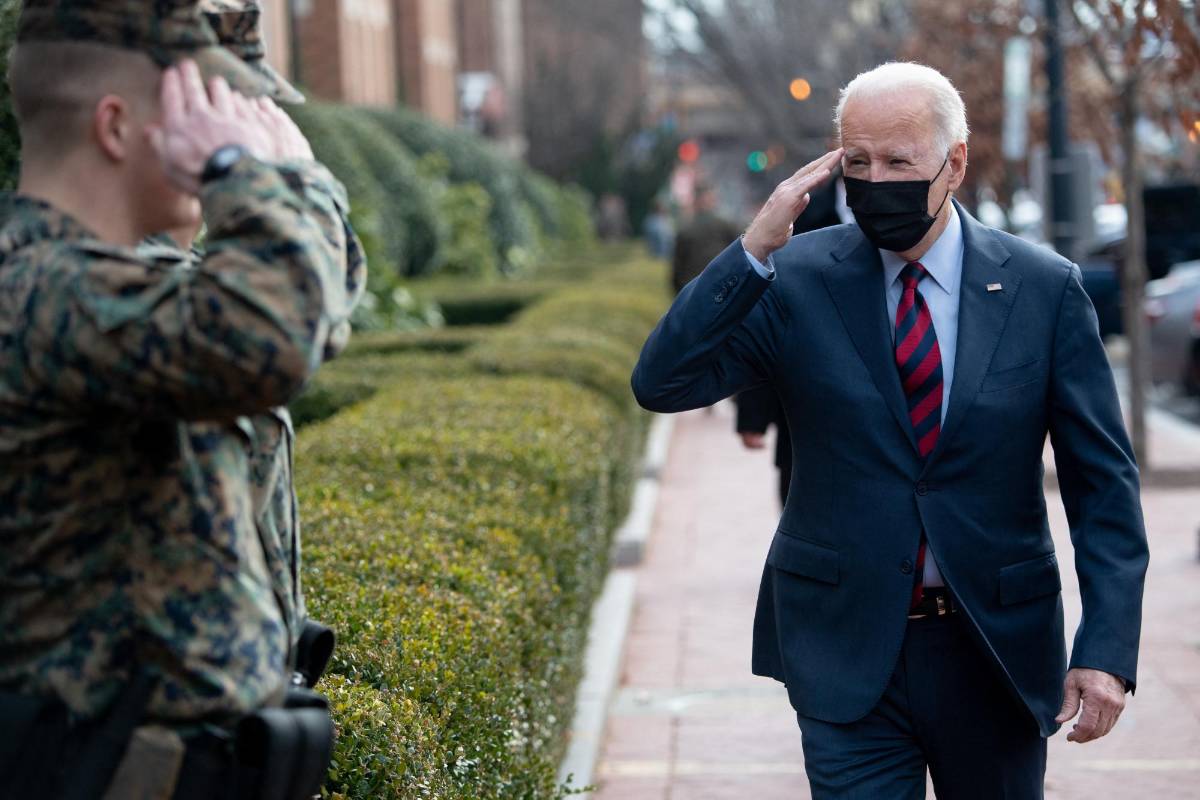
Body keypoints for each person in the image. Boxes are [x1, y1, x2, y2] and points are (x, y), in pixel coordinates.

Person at [632, 62, 1148, 798]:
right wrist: (750, 252)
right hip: (844, 648)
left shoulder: (1043, 289)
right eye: (858, 162)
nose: (876, 183)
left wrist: (1106, 648)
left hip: (994, 651)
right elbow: (662, 382)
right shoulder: (797, 279)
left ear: (955, 162)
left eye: (899, 162)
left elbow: (1103, 488)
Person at [0, 1, 361, 797]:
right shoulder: (40, 294)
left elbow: (310, 308)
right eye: (202, 114)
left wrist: (283, 185)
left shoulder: (108, 288)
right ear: (118, 127)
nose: (230, 133)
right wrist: (248, 175)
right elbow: (276, 329)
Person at [735, 168, 850, 506]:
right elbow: (766, 312)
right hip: (806, 410)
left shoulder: (919, 221)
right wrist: (753, 413)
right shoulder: (802, 217)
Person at [670, 181, 742, 295]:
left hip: (691, 291)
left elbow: (677, 271)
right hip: (721, 292)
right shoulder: (726, 226)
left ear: (695, 201)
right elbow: (740, 258)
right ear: (712, 200)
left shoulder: (685, 230)